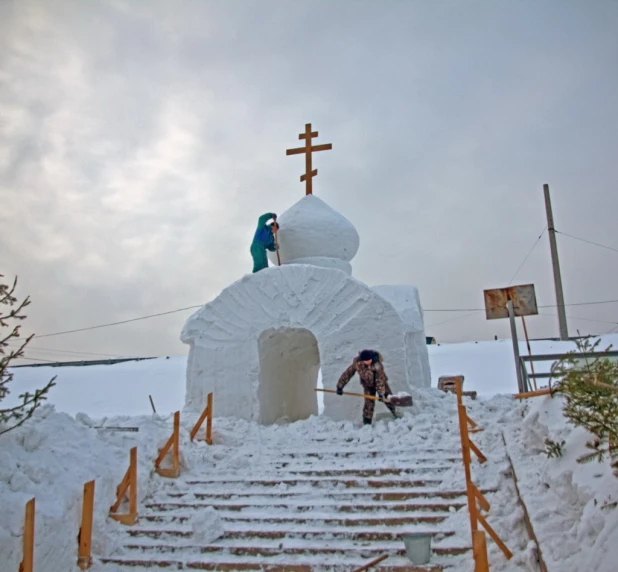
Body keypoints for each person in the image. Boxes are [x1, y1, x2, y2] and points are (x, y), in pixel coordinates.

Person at [336, 349, 397, 425]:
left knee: (388, 399)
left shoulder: (377, 364)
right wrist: (340, 386)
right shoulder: (357, 364)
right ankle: (367, 423)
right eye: (367, 360)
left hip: (382, 384)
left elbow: (380, 380)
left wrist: (381, 393)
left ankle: (396, 414)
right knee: (368, 405)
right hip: (368, 385)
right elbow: (348, 374)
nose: (369, 362)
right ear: (362, 360)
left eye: (370, 360)